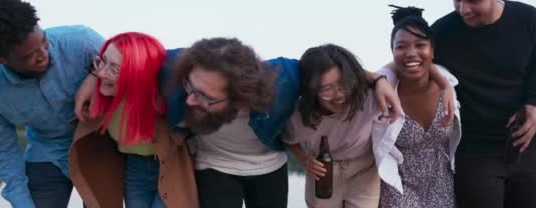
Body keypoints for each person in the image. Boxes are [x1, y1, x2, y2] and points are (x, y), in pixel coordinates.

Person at [163, 37, 402, 208]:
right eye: (190, 87)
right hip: (214, 165)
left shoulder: (283, 80)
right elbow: (134, 59)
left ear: (240, 94)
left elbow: (330, 72)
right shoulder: (174, 70)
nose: (192, 100)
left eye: (207, 96)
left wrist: (378, 80)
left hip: (267, 167)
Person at [432, 0, 536, 208]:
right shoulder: (442, 32)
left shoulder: (528, 20)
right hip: (473, 151)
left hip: (522, 144)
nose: (463, 9)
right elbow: (409, 59)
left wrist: (535, 104)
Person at [0, 0, 104, 208]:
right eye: (29, 56)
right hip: (46, 154)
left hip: (99, 148)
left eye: (44, 43)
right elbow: (4, 152)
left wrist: (94, 77)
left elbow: (128, 73)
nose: (43, 55)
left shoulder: (83, 41)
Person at [69, 32, 198, 208]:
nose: (101, 73)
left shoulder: (166, 96)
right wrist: (90, 78)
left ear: (137, 72)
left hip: (171, 166)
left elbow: (194, 56)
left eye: (114, 68)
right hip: (135, 167)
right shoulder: (100, 100)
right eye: (102, 61)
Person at [375, 5, 461, 208]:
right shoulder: (383, 89)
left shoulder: (448, 82)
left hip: (442, 182)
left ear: (432, 50)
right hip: (398, 183)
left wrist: (444, 85)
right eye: (401, 47)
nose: (411, 53)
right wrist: (377, 81)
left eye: (420, 45)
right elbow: (356, 77)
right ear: (393, 53)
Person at [282, 44, 382, 208]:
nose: (339, 95)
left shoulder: (369, 98)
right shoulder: (298, 115)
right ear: (311, 91)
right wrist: (305, 159)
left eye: (343, 84)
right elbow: (289, 140)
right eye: (326, 89)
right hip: (323, 172)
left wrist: (380, 81)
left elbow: (402, 75)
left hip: (363, 170)